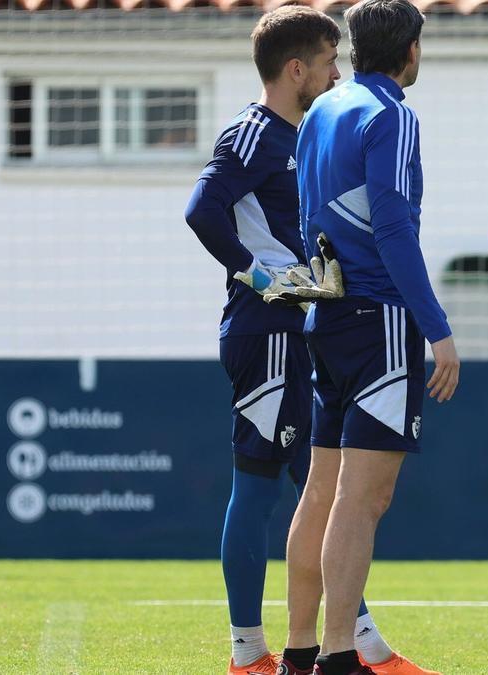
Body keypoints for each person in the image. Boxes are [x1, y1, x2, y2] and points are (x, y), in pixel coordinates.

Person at [183, 7, 396, 674]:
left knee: (320, 489)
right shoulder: (253, 133)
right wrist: (255, 273)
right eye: (331, 62)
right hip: (265, 330)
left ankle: (357, 642)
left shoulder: (307, 136)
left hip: (301, 327)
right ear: (296, 69)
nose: (340, 74)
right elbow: (201, 208)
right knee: (262, 485)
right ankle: (249, 652)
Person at [288, 0, 460, 673]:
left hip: (325, 316)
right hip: (381, 322)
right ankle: (337, 656)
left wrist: (325, 284)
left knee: (320, 492)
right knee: (364, 499)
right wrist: (436, 328)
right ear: (410, 49)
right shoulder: (393, 114)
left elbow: (306, 216)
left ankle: (298, 653)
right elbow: (393, 230)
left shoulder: (323, 109)